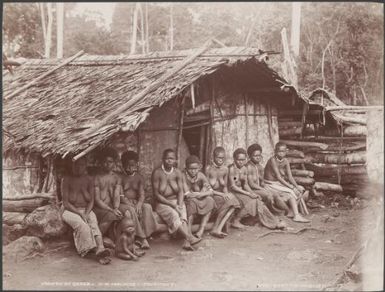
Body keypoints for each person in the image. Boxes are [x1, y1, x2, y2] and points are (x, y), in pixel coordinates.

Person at [61, 158, 111, 265]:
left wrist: (87, 213)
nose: (79, 168)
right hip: (69, 211)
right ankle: (92, 250)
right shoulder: (66, 180)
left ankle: (101, 248)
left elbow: (91, 201)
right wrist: (80, 214)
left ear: (85, 166)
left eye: (82, 165)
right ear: (72, 166)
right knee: (83, 225)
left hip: (86, 209)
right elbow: (66, 203)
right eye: (76, 165)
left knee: (93, 222)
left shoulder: (89, 180)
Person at [152, 149, 201, 251]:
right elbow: (156, 194)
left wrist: (179, 204)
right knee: (174, 215)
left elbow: (180, 191)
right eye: (167, 158)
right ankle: (189, 237)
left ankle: (186, 243)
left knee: (183, 215)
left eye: (172, 159)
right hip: (162, 203)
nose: (169, 161)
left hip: (176, 201)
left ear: (175, 160)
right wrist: (172, 205)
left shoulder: (177, 173)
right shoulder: (157, 173)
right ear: (163, 159)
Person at [118, 151, 158, 250]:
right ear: (123, 165)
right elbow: (120, 196)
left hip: (135, 202)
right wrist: (130, 205)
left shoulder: (139, 177)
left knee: (147, 207)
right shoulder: (120, 177)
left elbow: (142, 194)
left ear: (136, 165)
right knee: (131, 210)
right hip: (123, 203)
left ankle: (145, 234)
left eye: (133, 165)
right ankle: (142, 238)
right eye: (127, 165)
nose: (130, 167)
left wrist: (139, 204)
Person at [264, 142, 310, 223]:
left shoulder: (285, 161)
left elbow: (290, 177)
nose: (281, 153)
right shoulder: (272, 160)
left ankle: (292, 212)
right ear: (275, 151)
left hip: (278, 184)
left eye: (283, 151)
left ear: (286, 152)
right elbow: (278, 177)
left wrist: (296, 186)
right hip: (270, 184)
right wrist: (291, 187)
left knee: (300, 190)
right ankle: (296, 215)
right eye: (279, 151)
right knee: (291, 192)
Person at [205, 147, 240, 238]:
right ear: (213, 157)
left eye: (223, 158)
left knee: (234, 202)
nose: (221, 160)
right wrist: (222, 194)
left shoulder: (225, 169)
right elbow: (207, 189)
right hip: (211, 196)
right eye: (218, 158)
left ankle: (218, 228)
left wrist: (226, 194)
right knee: (228, 201)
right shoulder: (208, 169)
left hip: (220, 195)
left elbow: (224, 186)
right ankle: (215, 228)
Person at [246, 143, 289, 214]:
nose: (258, 157)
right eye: (255, 156)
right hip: (251, 190)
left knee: (275, 194)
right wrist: (263, 189)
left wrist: (265, 187)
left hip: (259, 188)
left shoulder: (260, 167)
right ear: (250, 156)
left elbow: (262, 182)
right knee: (268, 195)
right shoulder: (248, 167)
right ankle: (272, 210)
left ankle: (286, 210)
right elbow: (251, 184)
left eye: (259, 155)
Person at [183, 155, 216, 239]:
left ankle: (201, 230)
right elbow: (187, 194)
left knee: (210, 200)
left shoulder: (200, 175)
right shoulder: (182, 176)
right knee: (192, 202)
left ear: (198, 168)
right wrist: (201, 192)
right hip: (187, 200)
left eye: (195, 169)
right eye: (191, 169)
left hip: (198, 197)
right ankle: (189, 232)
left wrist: (201, 194)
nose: (193, 171)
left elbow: (211, 191)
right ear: (186, 168)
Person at [93, 149, 123, 238]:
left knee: (120, 215)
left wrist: (116, 208)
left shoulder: (117, 178)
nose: (107, 164)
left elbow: (117, 195)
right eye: (105, 162)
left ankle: (114, 240)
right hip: (98, 208)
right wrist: (111, 210)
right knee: (112, 215)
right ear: (101, 163)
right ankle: (96, 240)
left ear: (114, 163)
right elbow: (97, 199)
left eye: (110, 162)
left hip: (110, 207)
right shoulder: (96, 177)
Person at [228, 148, 259, 229]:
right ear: (234, 159)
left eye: (243, 159)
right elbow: (232, 186)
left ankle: (249, 220)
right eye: (239, 159)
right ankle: (236, 221)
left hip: (240, 191)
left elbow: (245, 184)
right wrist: (248, 194)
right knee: (251, 201)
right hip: (232, 192)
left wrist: (252, 193)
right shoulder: (231, 169)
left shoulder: (244, 169)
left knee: (256, 199)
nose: (241, 162)